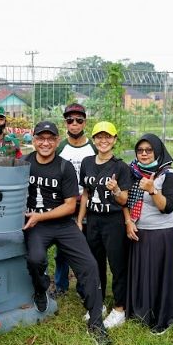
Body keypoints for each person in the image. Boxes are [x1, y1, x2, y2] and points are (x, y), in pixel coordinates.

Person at [22, 120, 112, 345]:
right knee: (35, 259)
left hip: (62, 225)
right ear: (33, 140)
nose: (45, 143)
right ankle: (41, 288)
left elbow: (71, 206)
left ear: (56, 141)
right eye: (40, 138)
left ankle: (96, 322)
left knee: (89, 266)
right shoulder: (23, 164)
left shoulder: (64, 167)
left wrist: (39, 216)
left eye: (50, 139)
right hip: (36, 227)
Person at [125, 133, 173, 334]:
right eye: (140, 150)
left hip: (161, 234)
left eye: (149, 150)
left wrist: (152, 190)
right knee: (143, 273)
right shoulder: (134, 171)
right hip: (139, 232)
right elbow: (126, 201)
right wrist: (129, 221)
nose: (144, 154)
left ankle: (164, 317)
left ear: (157, 152)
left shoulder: (169, 175)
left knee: (159, 276)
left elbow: (166, 207)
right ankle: (142, 312)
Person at [76, 121, 131, 329]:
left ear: (115, 139)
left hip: (113, 221)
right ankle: (98, 305)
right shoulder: (87, 162)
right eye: (99, 136)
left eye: (108, 136)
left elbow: (124, 199)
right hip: (94, 220)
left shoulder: (120, 167)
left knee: (117, 265)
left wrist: (116, 190)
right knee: (95, 264)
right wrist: (80, 220)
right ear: (94, 139)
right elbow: (85, 194)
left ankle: (119, 308)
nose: (103, 140)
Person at [52, 103, 97, 297]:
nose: (75, 124)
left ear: (84, 122)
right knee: (62, 249)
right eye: (70, 120)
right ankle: (61, 285)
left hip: (88, 203)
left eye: (79, 120)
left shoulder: (93, 147)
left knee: (85, 248)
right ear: (66, 123)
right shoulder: (61, 147)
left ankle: (83, 286)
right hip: (65, 203)